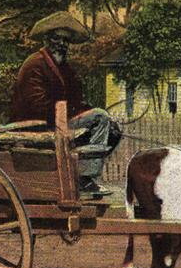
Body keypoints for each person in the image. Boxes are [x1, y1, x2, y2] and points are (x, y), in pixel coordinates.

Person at [10, 11, 121, 197]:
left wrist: (85, 111)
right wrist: (72, 115)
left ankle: (80, 174)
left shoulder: (64, 68)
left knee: (106, 123)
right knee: (100, 116)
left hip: (57, 122)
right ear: (46, 39)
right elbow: (37, 105)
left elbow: (76, 100)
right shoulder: (34, 65)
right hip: (35, 126)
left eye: (65, 41)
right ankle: (84, 180)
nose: (61, 44)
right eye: (57, 39)